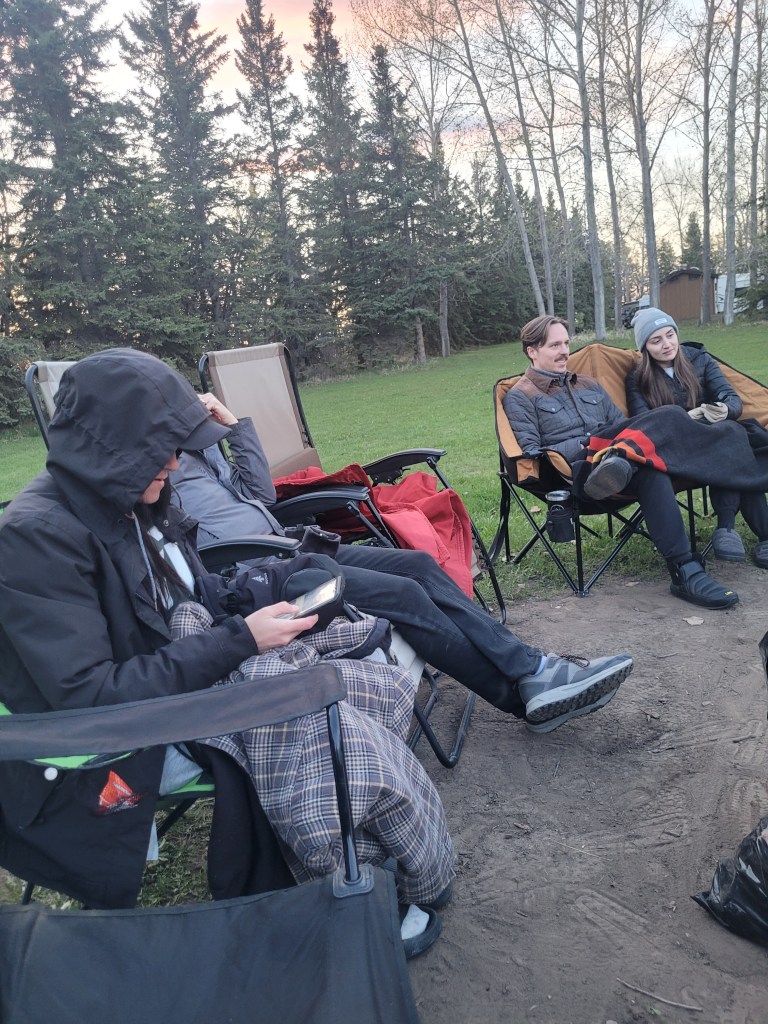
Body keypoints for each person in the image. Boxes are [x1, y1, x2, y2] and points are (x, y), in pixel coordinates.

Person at [0, 348, 453, 954]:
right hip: (113, 739)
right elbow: (91, 696)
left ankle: (370, 847)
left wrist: (266, 598)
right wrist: (242, 640)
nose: (175, 462)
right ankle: (357, 884)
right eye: (161, 449)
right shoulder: (37, 537)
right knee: (311, 716)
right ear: (112, 449)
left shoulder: (133, 499)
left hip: (180, 677)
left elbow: (190, 595)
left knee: (354, 669)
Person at [171, 393, 634, 734]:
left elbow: (259, 494)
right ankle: (524, 692)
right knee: (405, 594)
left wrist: (233, 429)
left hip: (290, 548)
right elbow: (191, 558)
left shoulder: (196, 446)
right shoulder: (159, 476)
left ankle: (532, 671)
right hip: (253, 573)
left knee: (417, 565)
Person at [502, 314, 739, 610]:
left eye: (566, 343)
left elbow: (623, 425)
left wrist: (616, 444)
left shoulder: (588, 384)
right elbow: (533, 450)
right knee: (665, 421)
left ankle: (685, 571)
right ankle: (619, 461)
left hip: (621, 463)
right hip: (578, 474)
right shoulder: (521, 396)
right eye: (554, 346)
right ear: (532, 351)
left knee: (653, 466)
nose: (564, 351)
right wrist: (592, 444)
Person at [626, 307, 768, 569]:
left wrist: (724, 409)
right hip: (675, 447)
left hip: (715, 435)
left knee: (732, 433)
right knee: (733, 441)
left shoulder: (699, 358)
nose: (666, 344)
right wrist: (682, 419)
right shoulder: (637, 377)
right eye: (656, 341)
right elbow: (643, 423)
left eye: (670, 335)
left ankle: (729, 529)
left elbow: (731, 398)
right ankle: (741, 530)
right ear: (644, 347)